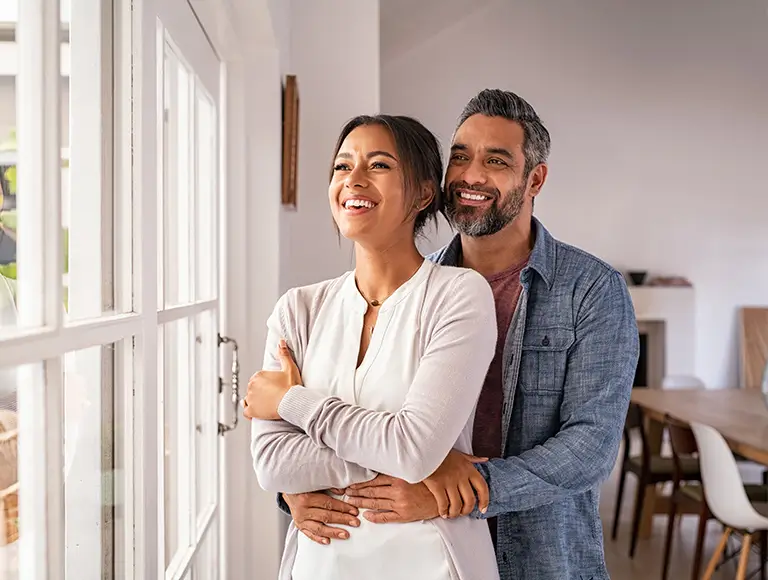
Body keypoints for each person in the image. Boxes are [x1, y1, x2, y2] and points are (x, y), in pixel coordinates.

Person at [279, 89, 640, 580]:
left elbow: (591, 446)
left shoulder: (591, 290)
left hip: (541, 556)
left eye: (496, 161)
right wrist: (295, 489)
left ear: (535, 178)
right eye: (460, 157)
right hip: (418, 551)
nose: (471, 176)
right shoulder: (411, 290)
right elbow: (362, 419)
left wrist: (468, 487)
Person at [242, 114, 501, 580]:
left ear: (424, 193)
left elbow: (413, 448)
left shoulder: (459, 295)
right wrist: (409, 456)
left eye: (378, 165)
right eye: (342, 167)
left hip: (432, 562)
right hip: (319, 564)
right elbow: (272, 464)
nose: (353, 180)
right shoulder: (297, 309)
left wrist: (290, 402)